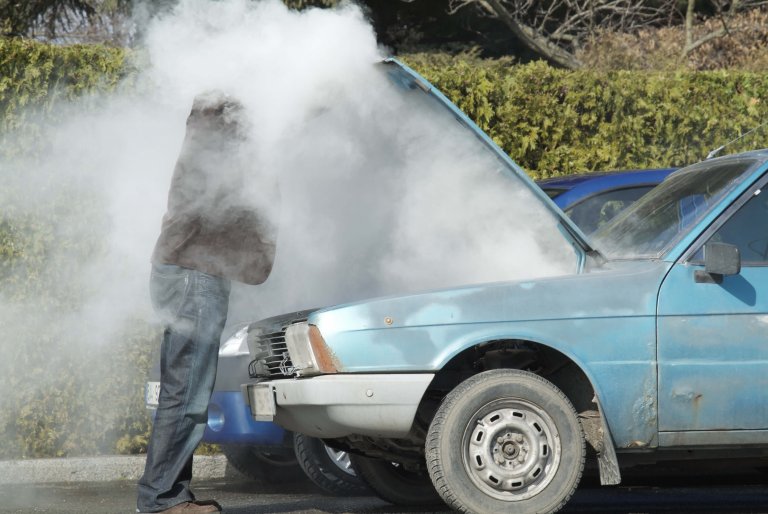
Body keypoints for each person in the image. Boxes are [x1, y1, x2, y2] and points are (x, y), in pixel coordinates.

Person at [137, 91, 277, 514]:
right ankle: (162, 500)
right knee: (187, 396)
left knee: (183, 393)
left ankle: (168, 494)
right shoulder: (220, 123)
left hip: (190, 272)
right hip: (195, 277)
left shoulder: (207, 127)